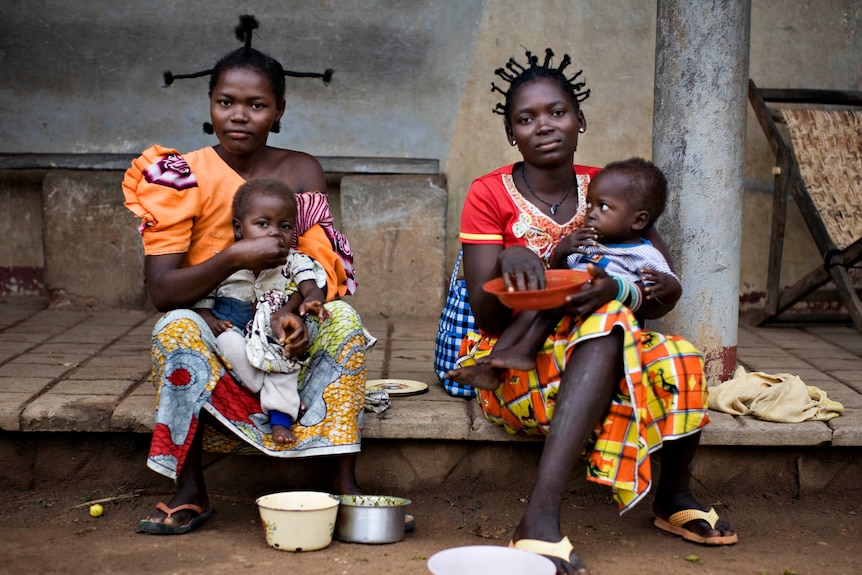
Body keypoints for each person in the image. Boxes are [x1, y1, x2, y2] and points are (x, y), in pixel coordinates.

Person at [445, 48, 736, 574]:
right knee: (606, 326)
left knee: (680, 354)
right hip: (517, 363)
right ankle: (539, 517)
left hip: (605, 354)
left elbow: (662, 288)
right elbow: (488, 318)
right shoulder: (489, 193)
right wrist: (518, 256)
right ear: (511, 134)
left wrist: (619, 292)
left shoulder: (611, 185)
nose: (544, 126)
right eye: (526, 118)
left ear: (580, 119)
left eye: (556, 112)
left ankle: (673, 497)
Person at [122, 15, 375, 535]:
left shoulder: (301, 170)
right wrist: (236, 256)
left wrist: (298, 307)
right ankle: (190, 489)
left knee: (345, 318)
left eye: (257, 105)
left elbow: (321, 260)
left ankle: (343, 480)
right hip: (219, 333)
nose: (239, 116)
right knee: (174, 329)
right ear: (210, 105)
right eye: (226, 103)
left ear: (279, 111)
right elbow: (163, 292)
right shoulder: (180, 176)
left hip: (287, 338)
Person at [454, 157, 680, 382]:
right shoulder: (590, 244)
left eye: (603, 207)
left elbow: (669, 289)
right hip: (567, 312)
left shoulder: (643, 253)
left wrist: (666, 286)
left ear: (638, 221)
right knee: (539, 301)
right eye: (589, 204)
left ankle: (522, 352)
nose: (590, 212)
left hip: (603, 320)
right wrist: (562, 251)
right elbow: (561, 273)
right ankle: (499, 364)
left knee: (565, 310)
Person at [194, 179, 333, 446]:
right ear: (238, 228)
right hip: (233, 332)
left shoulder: (295, 260)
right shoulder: (226, 261)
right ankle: (268, 395)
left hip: (274, 339)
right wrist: (208, 318)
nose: (274, 233)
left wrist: (313, 301)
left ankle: (279, 420)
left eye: (285, 226)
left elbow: (311, 287)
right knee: (227, 343)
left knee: (286, 362)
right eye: (262, 224)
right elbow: (204, 297)